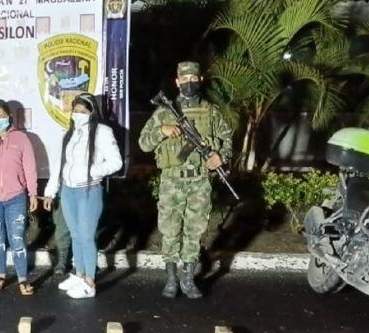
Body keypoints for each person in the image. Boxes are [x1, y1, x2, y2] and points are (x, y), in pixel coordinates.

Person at [139, 61, 232, 299]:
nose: (189, 83)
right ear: (177, 82)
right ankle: (171, 279)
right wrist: (162, 130)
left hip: (199, 181)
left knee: (194, 231)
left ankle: (188, 279)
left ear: (200, 80)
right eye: (185, 79)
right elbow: (144, 143)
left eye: (194, 78)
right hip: (172, 181)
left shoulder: (211, 112)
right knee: (170, 231)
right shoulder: (164, 112)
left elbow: (226, 139)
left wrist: (220, 157)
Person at [43, 93, 123, 299]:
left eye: (83, 111)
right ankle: (79, 275)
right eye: (75, 111)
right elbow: (58, 166)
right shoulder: (69, 134)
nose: (78, 114)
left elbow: (116, 162)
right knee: (76, 235)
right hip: (68, 191)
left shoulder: (102, 132)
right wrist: (50, 192)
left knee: (87, 237)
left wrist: (90, 171)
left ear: (91, 112)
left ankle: (90, 282)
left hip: (89, 190)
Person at [0, 99, 39, 295]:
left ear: (10, 117)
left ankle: (22, 278)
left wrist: (33, 193)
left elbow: (30, 168)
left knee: (17, 238)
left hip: (16, 197)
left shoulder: (21, 139)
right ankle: (0, 275)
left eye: (2, 116)